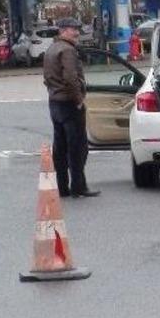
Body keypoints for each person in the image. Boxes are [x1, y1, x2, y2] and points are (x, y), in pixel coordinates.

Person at [43, 18, 100, 199]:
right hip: (68, 103)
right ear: (62, 31)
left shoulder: (51, 49)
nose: (76, 33)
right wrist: (78, 100)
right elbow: (70, 78)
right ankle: (78, 186)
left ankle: (62, 187)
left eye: (76, 29)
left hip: (55, 103)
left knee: (60, 148)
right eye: (72, 29)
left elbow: (47, 77)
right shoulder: (67, 50)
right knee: (77, 148)